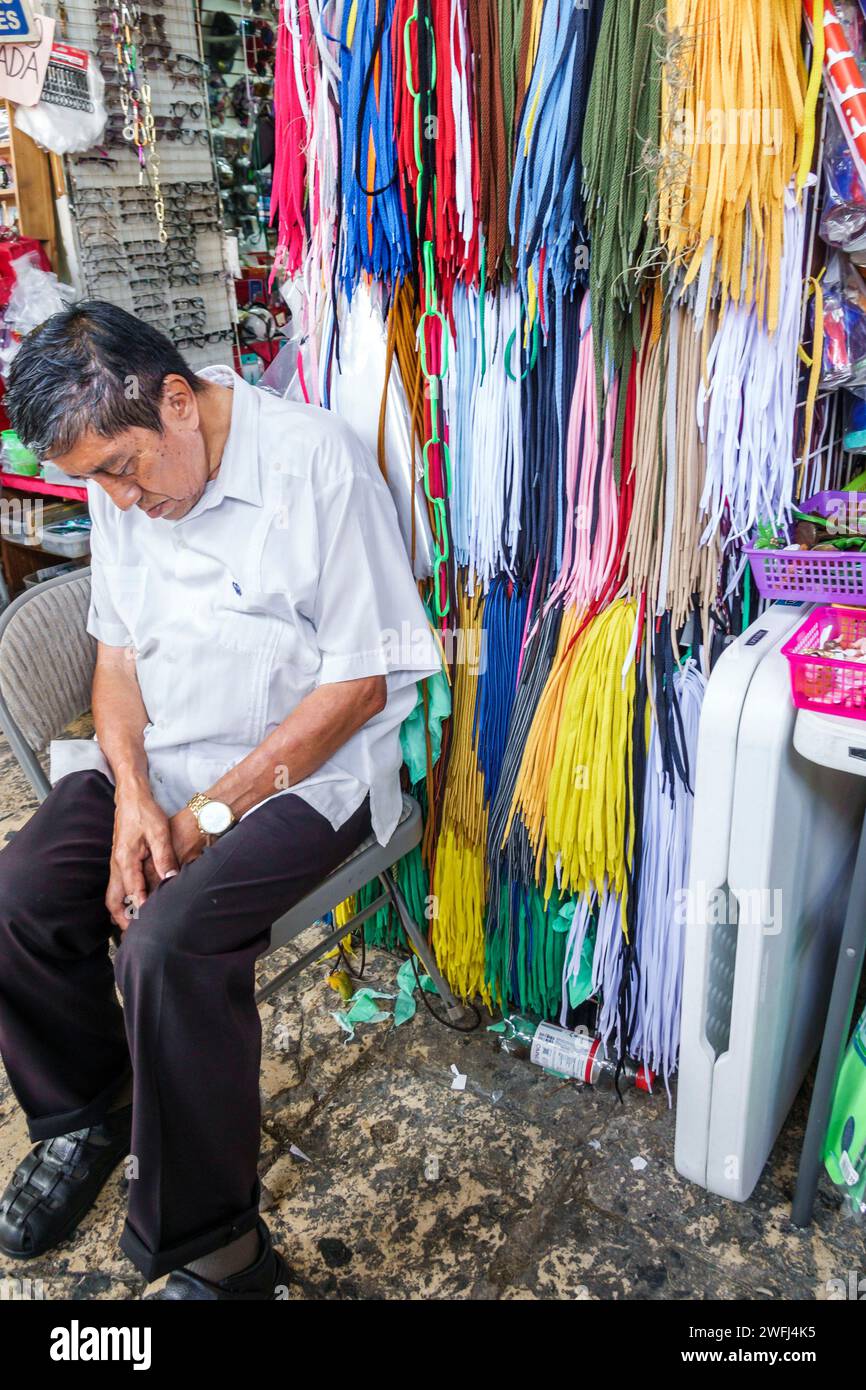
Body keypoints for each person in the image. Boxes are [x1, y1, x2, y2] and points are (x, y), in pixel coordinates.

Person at [0, 302, 441, 1299]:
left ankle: (219, 1248)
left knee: (168, 945)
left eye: (121, 466)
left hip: (306, 773)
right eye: (94, 480)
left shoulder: (313, 463)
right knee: (20, 892)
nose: (115, 498)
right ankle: (84, 1115)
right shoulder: (129, 496)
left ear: (177, 403)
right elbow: (115, 662)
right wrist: (132, 799)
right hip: (168, 759)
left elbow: (358, 687)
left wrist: (207, 819)